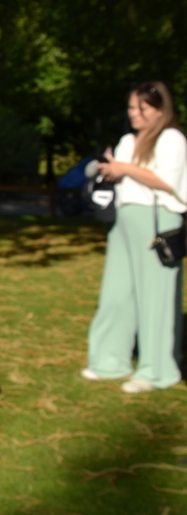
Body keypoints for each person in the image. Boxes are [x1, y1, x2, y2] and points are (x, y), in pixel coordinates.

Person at [86, 81, 187, 393]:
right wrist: (109, 170)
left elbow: (167, 181)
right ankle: (108, 360)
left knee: (155, 297)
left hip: (157, 222)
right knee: (116, 293)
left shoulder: (171, 138)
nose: (134, 114)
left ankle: (156, 371)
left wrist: (125, 168)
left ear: (159, 109)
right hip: (124, 219)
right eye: (131, 108)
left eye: (141, 108)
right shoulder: (127, 140)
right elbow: (122, 175)